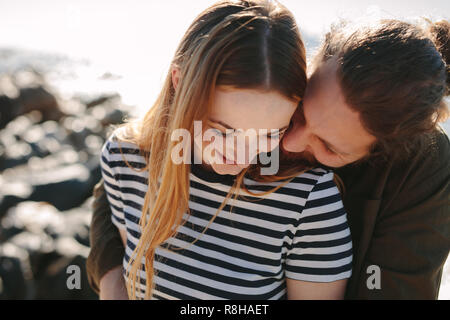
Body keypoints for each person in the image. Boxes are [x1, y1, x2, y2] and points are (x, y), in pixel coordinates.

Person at [87, 9, 450, 300]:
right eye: (299, 115)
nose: (286, 145)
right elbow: (119, 192)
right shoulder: (130, 155)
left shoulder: (412, 172)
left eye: (329, 147)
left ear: (376, 155)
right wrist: (112, 283)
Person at [94, 0, 353, 300]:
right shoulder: (124, 159)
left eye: (270, 135)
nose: (242, 155)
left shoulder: (309, 200)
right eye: (222, 130)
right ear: (179, 82)